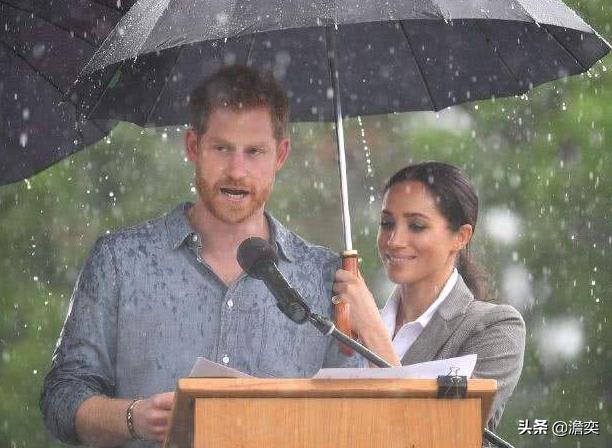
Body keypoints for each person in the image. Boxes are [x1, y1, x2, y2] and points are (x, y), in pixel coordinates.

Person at [40, 65, 359, 447]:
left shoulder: (327, 278)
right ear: (193, 146)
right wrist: (133, 417)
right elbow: (61, 398)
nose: (237, 171)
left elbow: (357, 417)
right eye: (222, 148)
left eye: (254, 151)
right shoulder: (119, 262)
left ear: (280, 155)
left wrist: (370, 328)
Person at [333, 161, 525, 431]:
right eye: (387, 223)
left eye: (417, 226)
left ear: (461, 236)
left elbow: (438, 432)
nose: (394, 240)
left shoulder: (495, 328)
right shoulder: (345, 327)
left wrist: (373, 332)